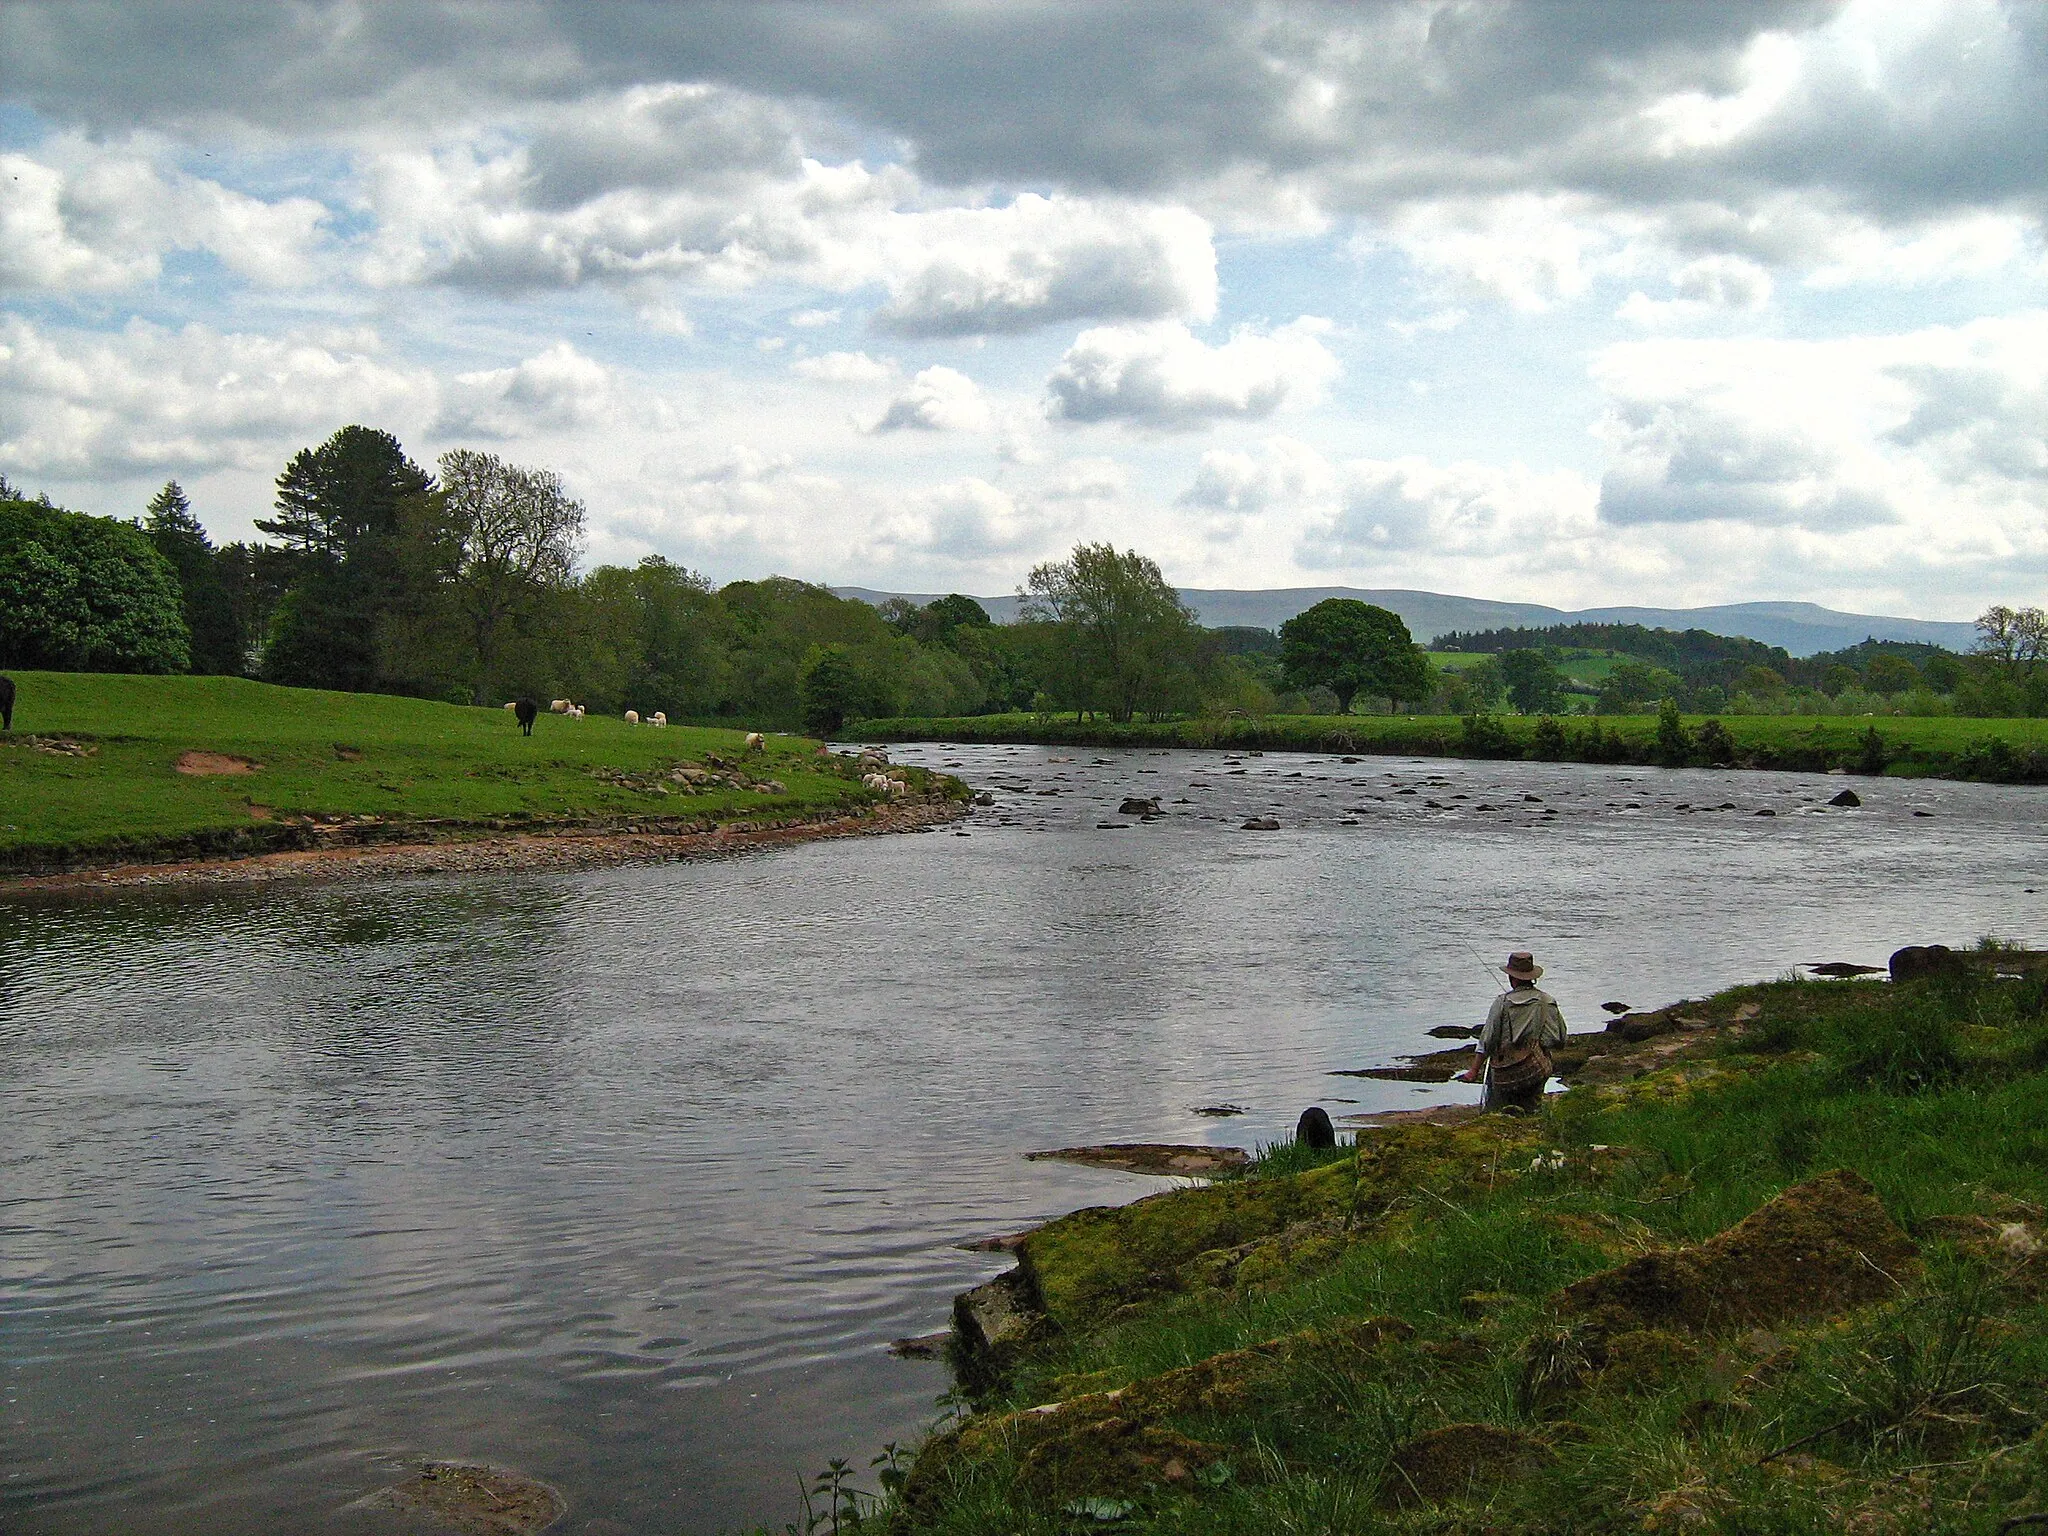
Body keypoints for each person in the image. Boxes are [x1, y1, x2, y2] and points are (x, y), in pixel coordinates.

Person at [1459, 950, 1567, 1113]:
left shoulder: (1501, 1002)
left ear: (1512, 977)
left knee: (1498, 1113)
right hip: (1536, 1069)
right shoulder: (1547, 1001)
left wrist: (1474, 1070)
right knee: (1532, 1112)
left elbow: (1487, 1040)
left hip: (1505, 1073)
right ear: (1532, 977)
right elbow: (1559, 1039)